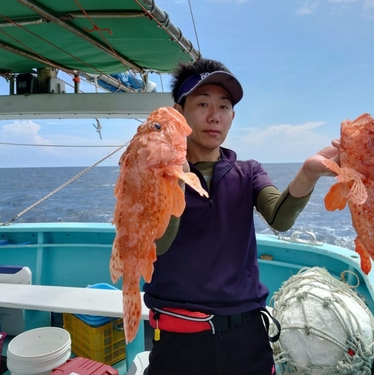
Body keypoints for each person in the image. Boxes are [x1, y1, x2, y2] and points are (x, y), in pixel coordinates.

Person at [143, 58, 339, 375]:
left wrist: (308, 173)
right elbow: (157, 244)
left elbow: (279, 218)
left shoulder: (248, 172)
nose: (214, 116)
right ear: (179, 114)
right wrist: (174, 180)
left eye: (223, 107)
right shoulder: (154, 173)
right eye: (202, 103)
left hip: (246, 335)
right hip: (179, 335)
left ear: (232, 117)